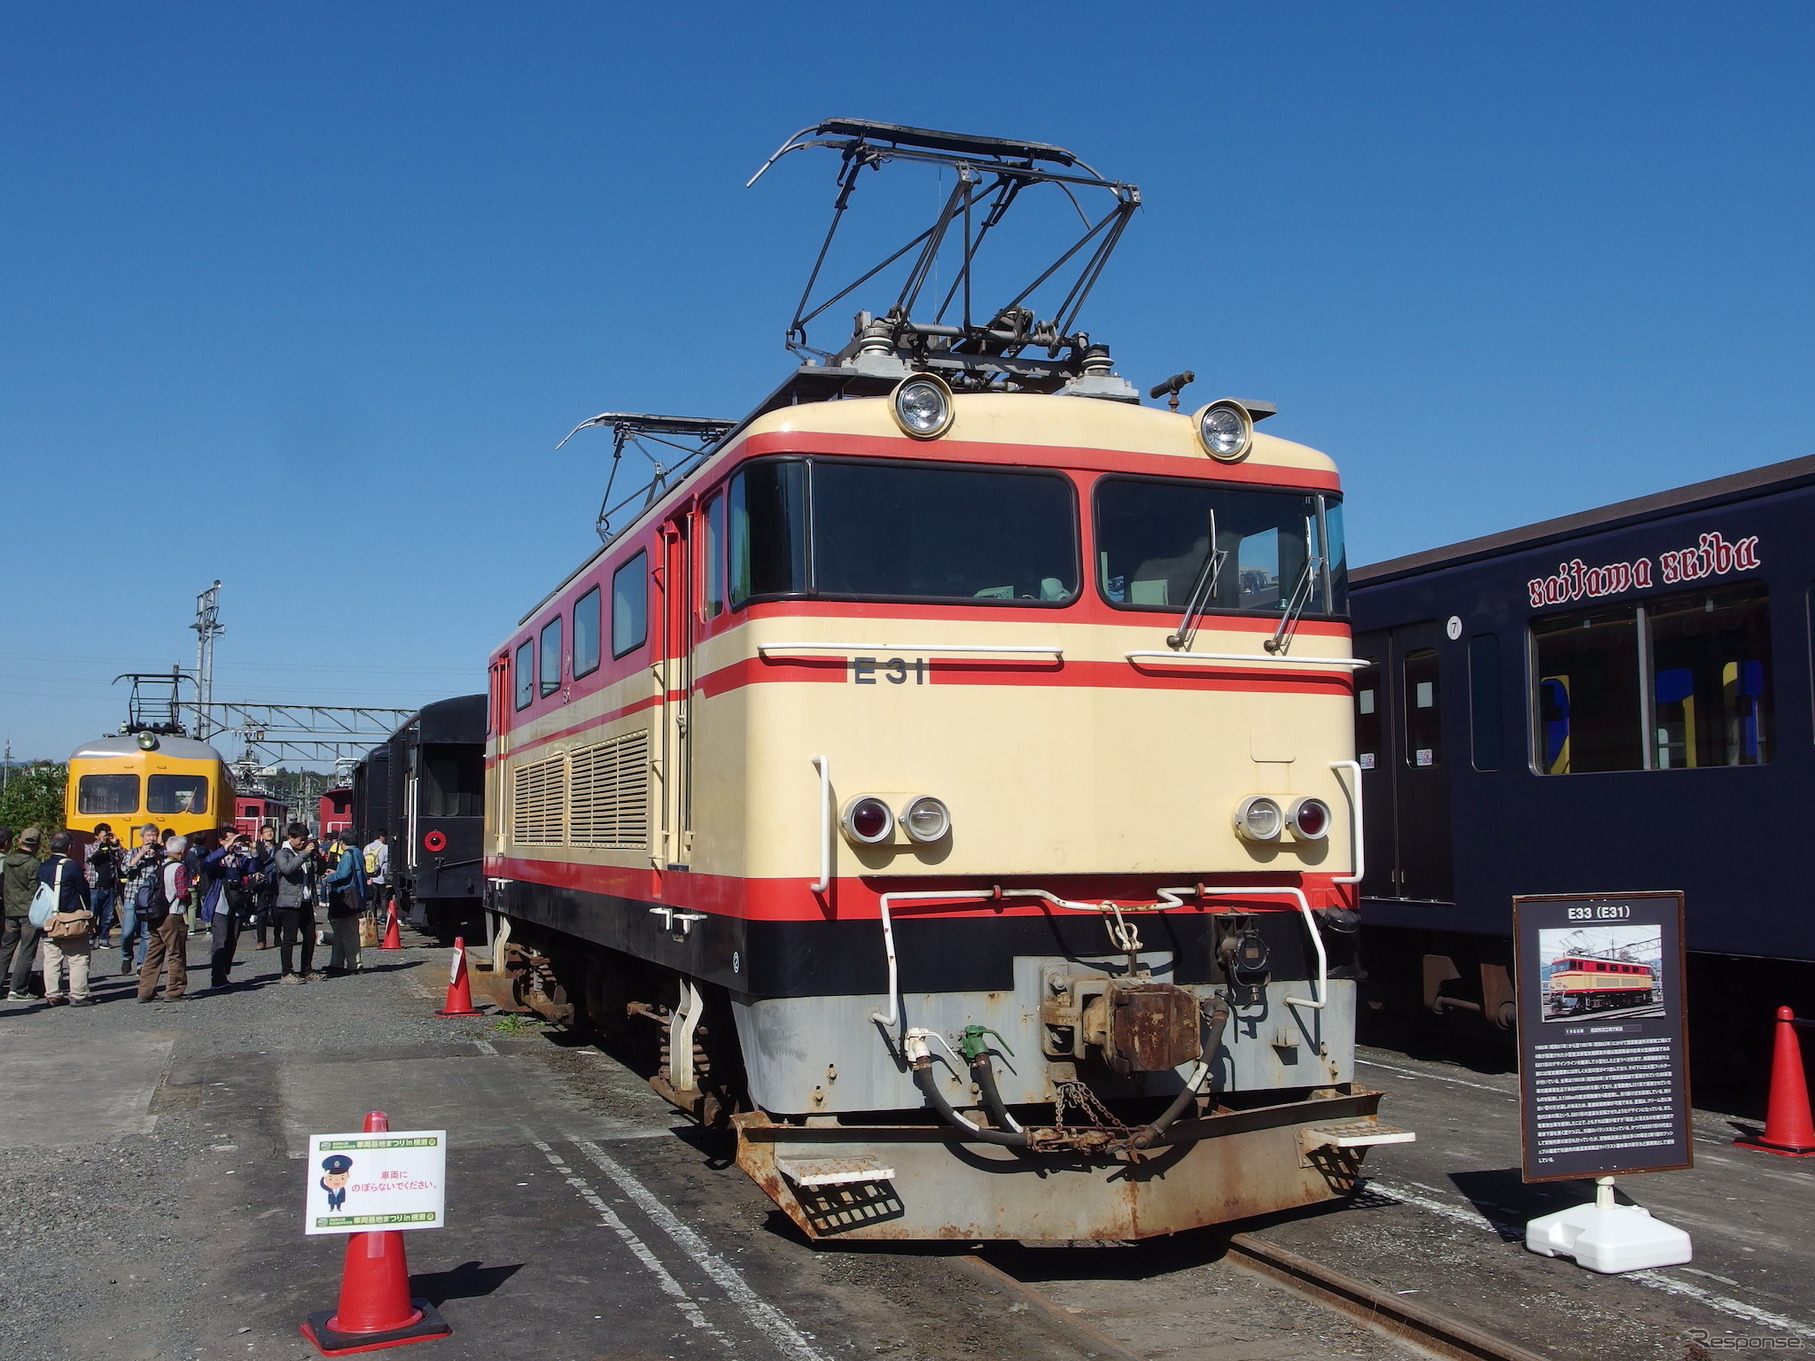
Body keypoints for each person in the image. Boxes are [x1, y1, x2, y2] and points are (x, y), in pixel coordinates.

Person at [38, 832, 95, 1006]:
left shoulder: (43, 866)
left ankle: (53, 994)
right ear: (69, 847)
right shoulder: (72, 866)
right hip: (70, 918)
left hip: (48, 918)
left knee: (52, 958)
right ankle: (78, 995)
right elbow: (83, 891)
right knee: (78, 957)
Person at [137, 834, 192, 1003]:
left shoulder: (161, 866)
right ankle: (174, 990)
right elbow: (181, 893)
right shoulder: (179, 868)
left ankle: (145, 991)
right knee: (176, 953)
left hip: (155, 914)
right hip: (172, 914)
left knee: (154, 953)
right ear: (182, 851)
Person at [201, 831, 259, 990]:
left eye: (237, 840)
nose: (235, 844)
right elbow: (207, 862)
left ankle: (224, 972)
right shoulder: (217, 860)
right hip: (219, 906)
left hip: (237, 906)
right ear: (221, 841)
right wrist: (225, 849)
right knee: (221, 940)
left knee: (232, 940)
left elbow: (253, 868)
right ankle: (217, 978)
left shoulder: (240, 860)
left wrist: (254, 850)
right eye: (231, 840)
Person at [1, 827, 46, 1000]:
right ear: (36, 845)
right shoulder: (33, 864)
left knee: (5, 950)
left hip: (10, 910)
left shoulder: (8, 860)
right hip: (27, 912)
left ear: (20, 841)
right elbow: (35, 889)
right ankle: (17, 989)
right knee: (27, 951)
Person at [273, 823, 320, 983]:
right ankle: (286, 972)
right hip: (289, 902)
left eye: (305, 840)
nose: (303, 843)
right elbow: (287, 869)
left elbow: (317, 871)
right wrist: (304, 855)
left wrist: (316, 855)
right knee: (289, 938)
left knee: (310, 936)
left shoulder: (304, 852)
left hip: (305, 900)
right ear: (290, 838)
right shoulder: (282, 853)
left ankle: (306, 969)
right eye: (300, 840)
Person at [322, 830, 367, 975]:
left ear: (342, 842)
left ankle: (354, 964)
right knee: (341, 931)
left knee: (347, 932)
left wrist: (329, 877)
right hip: (356, 895)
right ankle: (336, 962)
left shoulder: (348, 854)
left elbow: (343, 875)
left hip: (345, 896)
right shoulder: (358, 853)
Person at [120, 824, 162, 976]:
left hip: (150, 900)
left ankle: (141, 964)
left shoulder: (160, 853)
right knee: (127, 932)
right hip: (132, 897)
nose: (152, 838)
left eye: (154, 835)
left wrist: (156, 855)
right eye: (149, 835)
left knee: (147, 934)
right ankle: (126, 956)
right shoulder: (132, 852)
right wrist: (141, 855)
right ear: (142, 837)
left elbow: (164, 868)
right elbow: (125, 870)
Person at [85, 823, 125, 949]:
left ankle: (104, 939)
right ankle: (90, 940)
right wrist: (101, 843)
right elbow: (90, 856)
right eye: (103, 834)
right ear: (96, 836)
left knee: (107, 916)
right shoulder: (89, 847)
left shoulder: (112, 850)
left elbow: (124, 857)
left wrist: (115, 844)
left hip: (110, 887)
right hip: (95, 887)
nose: (106, 837)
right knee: (92, 915)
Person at [363, 829, 391, 926]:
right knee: (383, 897)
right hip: (381, 877)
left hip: (370, 877)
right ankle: (383, 916)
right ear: (381, 837)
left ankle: (372, 917)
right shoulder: (385, 847)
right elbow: (386, 860)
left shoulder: (367, 847)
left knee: (372, 898)